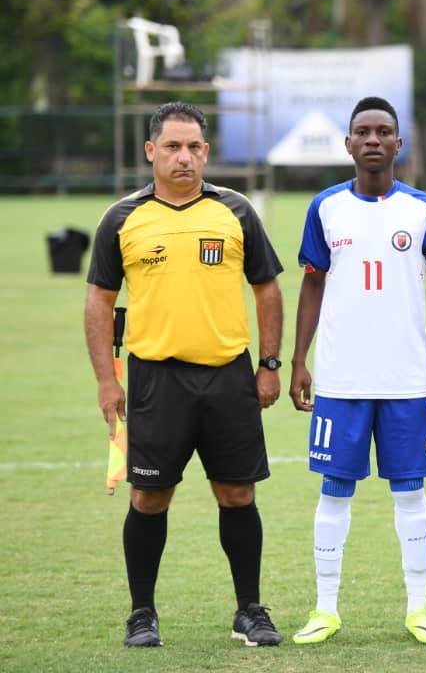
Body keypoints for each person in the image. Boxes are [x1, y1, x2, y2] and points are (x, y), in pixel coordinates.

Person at [84, 101, 285, 648]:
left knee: (237, 495)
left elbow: (267, 288)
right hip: (156, 380)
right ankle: (142, 613)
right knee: (149, 499)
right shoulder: (123, 218)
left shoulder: (236, 211)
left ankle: (249, 610)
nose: (184, 157)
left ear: (206, 152)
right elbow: (100, 300)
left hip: (229, 377)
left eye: (194, 147)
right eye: (172, 146)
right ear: (151, 151)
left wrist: (269, 365)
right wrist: (107, 379)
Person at [289, 96, 426, 646]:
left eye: (383, 131)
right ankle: (324, 609)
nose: (373, 140)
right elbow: (311, 284)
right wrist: (298, 360)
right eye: (362, 131)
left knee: (410, 492)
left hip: (407, 382)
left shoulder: (424, 210)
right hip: (340, 381)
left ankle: (418, 607)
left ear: (397, 143)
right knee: (334, 491)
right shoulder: (325, 208)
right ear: (348, 143)